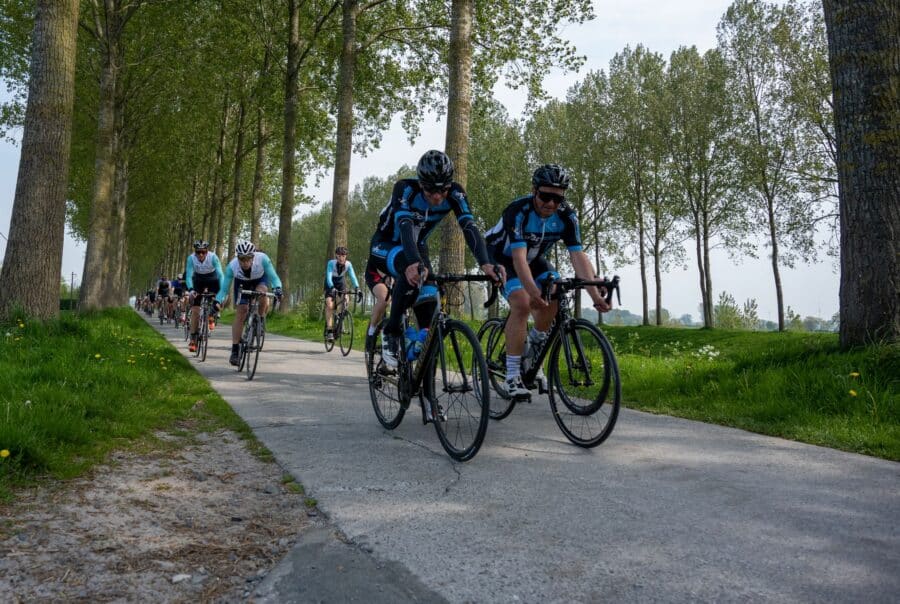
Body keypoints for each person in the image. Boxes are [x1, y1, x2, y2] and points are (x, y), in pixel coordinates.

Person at [485, 164, 611, 401]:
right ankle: (511, 375)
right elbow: (518, 259)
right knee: (522, 303)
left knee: (556, 290)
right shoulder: (518, 211)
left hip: (533, 258)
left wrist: (595, 296)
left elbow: (578, 256)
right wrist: (533, 292)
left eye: (558, 198)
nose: (551, 203)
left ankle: (533, 352)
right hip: (501, 257)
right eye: (545, 196)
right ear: (534, 190)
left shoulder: (567, 216)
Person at [365, 149, 502, 367]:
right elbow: (405, 226)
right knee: (409, 270)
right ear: (421, 183)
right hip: (386, 243)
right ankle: (391, 332)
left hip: (418, 246)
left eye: (443, 190)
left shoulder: (456, 194)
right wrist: (413, 263)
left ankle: (420, 368)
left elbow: (469, 227)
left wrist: (486, 263)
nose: (437, 196)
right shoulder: (405, 189)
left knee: (429, 301)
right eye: (430, 190)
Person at [215, 240, 283, 366]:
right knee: (241, 311)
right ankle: (235, 350)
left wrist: (278, 288)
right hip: (241, 282)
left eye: (248, 259)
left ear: (253, 256)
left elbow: (274, 277)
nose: (245, 262)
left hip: (260, 279)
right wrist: (217, 301)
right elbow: (224, 289)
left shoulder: (263, 259)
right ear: (238, 258)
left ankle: (260, 318)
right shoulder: (232, 266)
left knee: (262, 292)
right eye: (242, 259)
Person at [184, 240, 224, 352]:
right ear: (195, 252)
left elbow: (221, 275)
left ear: (207, 251)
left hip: (213, 280)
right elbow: (188, 276)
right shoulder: (191, 258)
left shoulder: (213, 257)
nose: (201, 254)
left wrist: (222, 291)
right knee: (195, 310)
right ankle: (193, 339)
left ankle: (211, 315)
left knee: (218, 302)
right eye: (198, 252)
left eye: (203, 252)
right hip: (198, 281)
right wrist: (191, 289)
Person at [324, 246, 360, 342]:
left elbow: (353, 276)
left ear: (346, 256)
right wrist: (332, 287)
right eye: (339, 256)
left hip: (341, 282)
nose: (341, 258)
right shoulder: (331, 263)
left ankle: (340, 318)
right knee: (330, 305)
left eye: (343, 256)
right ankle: (330, 330)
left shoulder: (348, 264)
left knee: (346, 300)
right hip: (330, 282)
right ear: (336, 256)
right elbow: (328, 276)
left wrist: (357, 288)